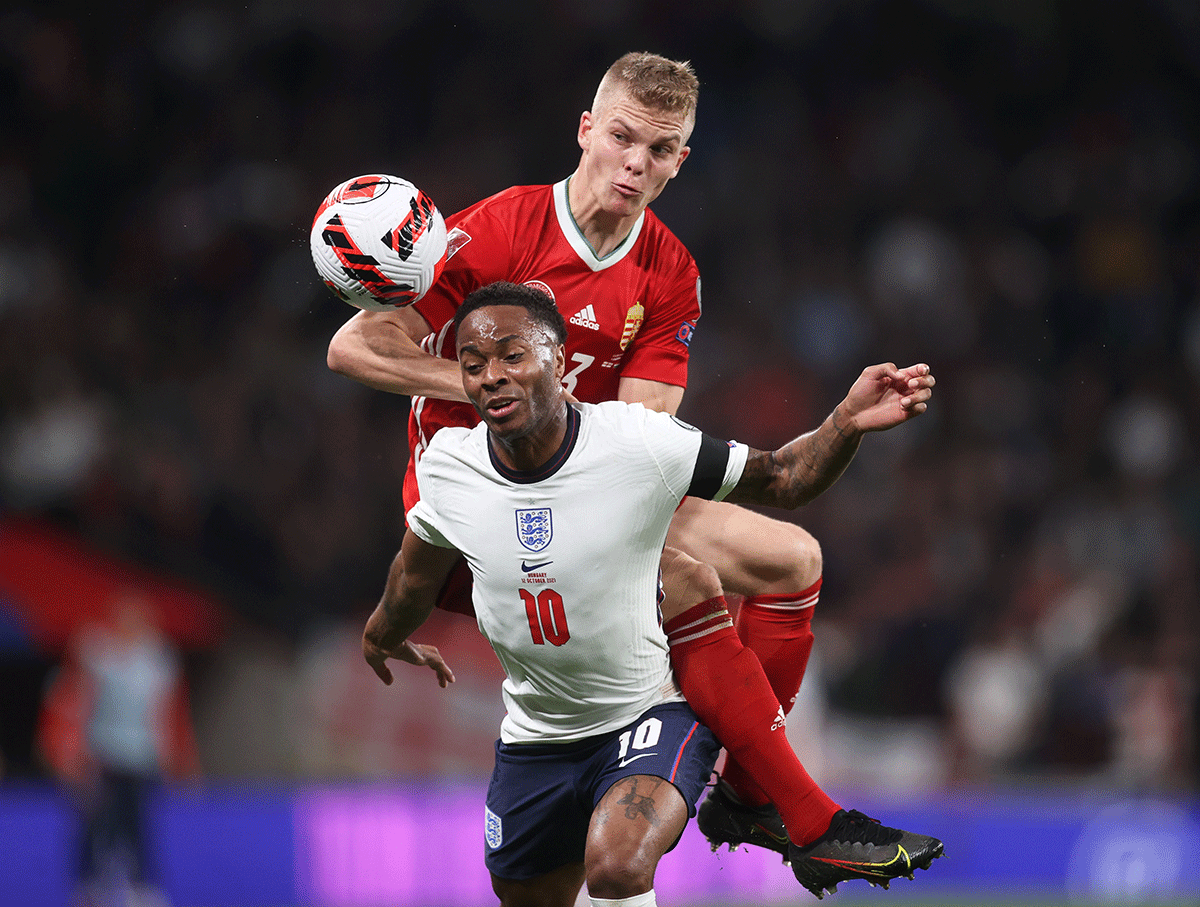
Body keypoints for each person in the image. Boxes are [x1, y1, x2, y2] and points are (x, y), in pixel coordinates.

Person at [329, 50, 829, 856]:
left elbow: (641, 434)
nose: (636, 163)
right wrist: (476, 375)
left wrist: (560, 421)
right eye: (623, 138)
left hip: (579, 496)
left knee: (793, 558)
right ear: (587, 129)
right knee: (686, 584)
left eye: (660, 150)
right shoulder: (498, 230)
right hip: (472, 513)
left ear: (681, 161)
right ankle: (755, 785)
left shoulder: (670, 274)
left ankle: (744, 791)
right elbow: (355, 347)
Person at [361, 282, 943, 905]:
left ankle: (787, 810)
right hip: (535, 738)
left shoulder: (637, 443)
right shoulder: (450, 465)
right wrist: (382, 637)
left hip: (645, 716)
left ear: (559, 363)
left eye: (513, 357)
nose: (492, 378)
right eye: (474, 367)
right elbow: (411, 578)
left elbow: (782, 477)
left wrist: (845, 423)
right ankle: (767, 808)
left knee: (618, 865)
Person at [37, 592, 198, 907]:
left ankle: (139, 886)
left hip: (140, 758)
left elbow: (169, 714)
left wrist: (180, 759)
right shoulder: (97, 656)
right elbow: (73, 702)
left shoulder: (158, 663)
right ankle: (88, 885)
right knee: (96, 823)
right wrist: (69, 752)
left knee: (136, 823)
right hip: (103, 756)